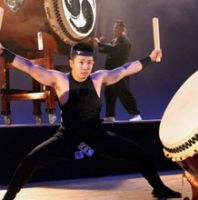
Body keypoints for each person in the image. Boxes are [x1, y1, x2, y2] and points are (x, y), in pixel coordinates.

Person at [0, 42, 181, 199]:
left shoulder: (98, 79)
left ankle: (159, 189)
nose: (85, 67)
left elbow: (125, 69)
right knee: (29, 161)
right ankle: (8, 197)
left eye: (89, 63)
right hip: (67, 139)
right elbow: (29, 67)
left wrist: (150, 57)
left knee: (139, 153)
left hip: (97, 137)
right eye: (81, 62)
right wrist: (3, 52)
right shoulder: (60, 80)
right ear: (71, 63)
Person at [93, 20, 141, 122]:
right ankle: (110, 116)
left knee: (124, 93)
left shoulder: (124, 40)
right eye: (114, 28)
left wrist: (100, 44)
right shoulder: (115, 40)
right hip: (111, 72)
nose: (114, 30)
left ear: (122, 29)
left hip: (120, 72)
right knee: (109, 94)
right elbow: (108, 48)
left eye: (116, 28)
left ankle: (136, 115)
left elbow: (113, 49)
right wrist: (100, 44)